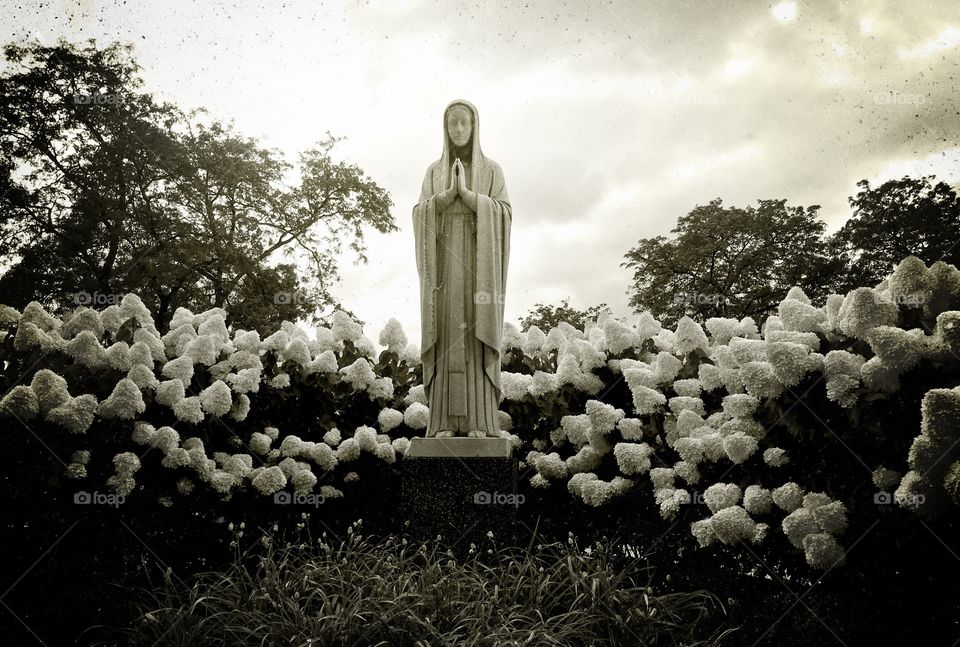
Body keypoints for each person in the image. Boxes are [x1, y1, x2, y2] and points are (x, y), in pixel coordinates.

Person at [412, 100, 512, 438]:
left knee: (475, 335)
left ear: (474, 127)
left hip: (477, 269)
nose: (457, 130)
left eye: (463, 124)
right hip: (444, 274)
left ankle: (480, 423)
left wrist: (468, 195)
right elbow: (419, 213)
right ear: (445, 128)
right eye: (452, 124)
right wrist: (443, 199)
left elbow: (504, 214)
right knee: (447, 335)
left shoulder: (492, 171)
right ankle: (442, 422)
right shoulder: (433, 172)